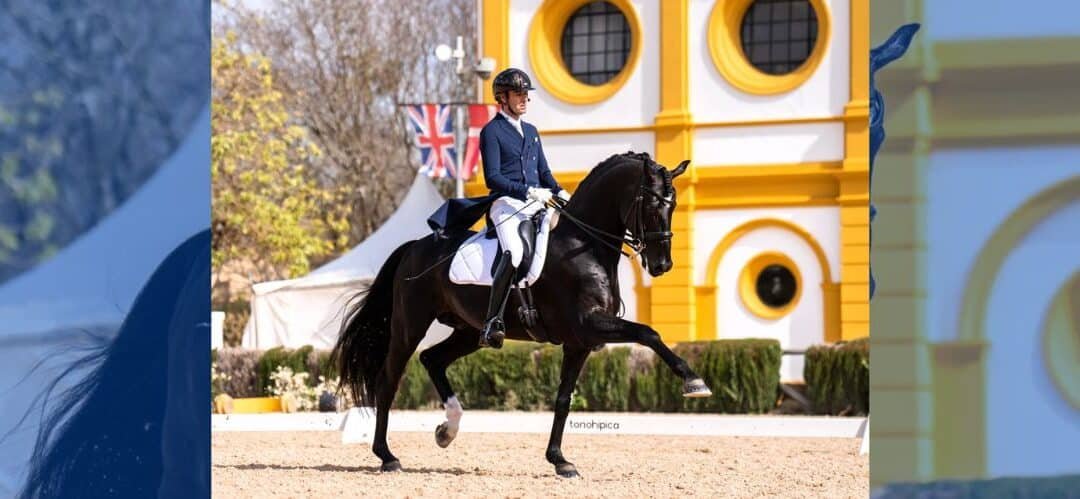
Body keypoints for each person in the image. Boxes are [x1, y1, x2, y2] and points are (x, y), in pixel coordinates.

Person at [477, 68, 569, 348]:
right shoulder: (491, 131)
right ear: (502, 98)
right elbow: (493, 177)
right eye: (518, 94)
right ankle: (492, 321)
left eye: (526, 94)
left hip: (536, 201)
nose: (524, 99)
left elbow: (544, 171)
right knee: (514, 252)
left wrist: (561, 192)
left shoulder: (531, 131)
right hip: (505, 204)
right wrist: (527, 190)